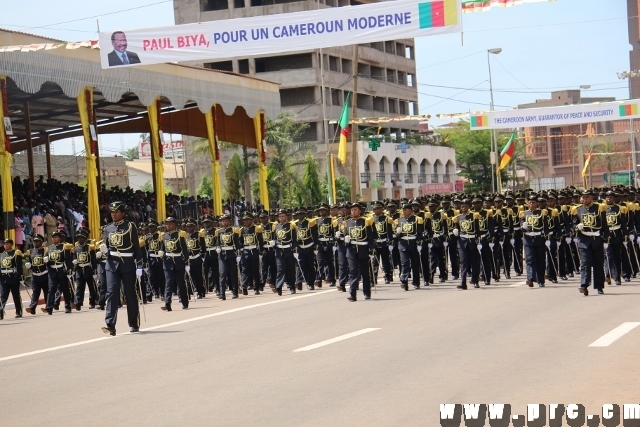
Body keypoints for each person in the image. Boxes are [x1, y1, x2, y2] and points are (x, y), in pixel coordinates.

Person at [101, 201, 144, 335]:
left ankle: (133, 323)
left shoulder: (130, 226)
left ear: (123, 213)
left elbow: (136, 247)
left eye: (117, 212)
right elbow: (107, 246)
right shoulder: (108, 229)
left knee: (130, 293)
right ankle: (110, 325)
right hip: (112, 264)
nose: (114, 214)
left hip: (127, 263)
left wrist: (140, 265)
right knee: (112, 293)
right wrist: (103, 251)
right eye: (112, 212)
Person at [571, 189, 609, 296]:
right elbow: (573, 225)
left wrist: (606, 239)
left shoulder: (599, 207)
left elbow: (604, 225)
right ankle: (584, 285)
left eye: (587, 197)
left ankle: (599, 286)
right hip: (583, 240)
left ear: (592, 197)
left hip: (596, 238)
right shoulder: (577, 209)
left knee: (598, 264)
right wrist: (577, 227)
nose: (585, 199)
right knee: (585, 263)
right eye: (583, 197)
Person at [343, 202, 376, 301]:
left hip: (363, 250)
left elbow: (370, 236)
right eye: (352, 210)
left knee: (365, 272)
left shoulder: (365, 221)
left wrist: (372, 249)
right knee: (353, 272)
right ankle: (352, 294)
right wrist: (345, 239)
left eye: (355, 209)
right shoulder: (347, 222)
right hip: (351, 251)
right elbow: (345, 235)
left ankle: (367, 293)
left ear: (360, 211)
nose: (353, 211)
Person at [161, 217, 190, 310]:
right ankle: (167, 303)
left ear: (175, 225)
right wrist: (161, 252)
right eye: (167, 224)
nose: (168, 225)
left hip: (178, 261)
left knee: (181, 283)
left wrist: (186, 263)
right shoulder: (164, 236)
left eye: (170, 224)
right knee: (168, 283)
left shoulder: (179, 235)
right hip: (168, 261)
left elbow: (184, 250)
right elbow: (162, 248)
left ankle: (185, 302)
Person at [42, 231, 74, 315]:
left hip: (61, 270)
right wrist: (46, 261)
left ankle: (67, 306)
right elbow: (45, 258)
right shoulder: (49, 248)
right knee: (51, 289)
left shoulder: (64, 247)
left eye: (56, 237)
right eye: (53, 237)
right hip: (52, 271)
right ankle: (49, 307)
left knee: (65, 289)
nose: (54, 239)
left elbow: (68, 260)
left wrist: (69, 269)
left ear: (60, 238)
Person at [521, 194, 550, 288]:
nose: (531, 204)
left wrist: (547, 238)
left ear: (537, 203)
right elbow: (521, 225)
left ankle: (541, 280)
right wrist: (523, 227)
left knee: (540, 260)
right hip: (528, 239)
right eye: (530, 202)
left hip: (539, 239)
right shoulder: (524, 213)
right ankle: (530, 279)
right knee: (529, 259)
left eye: (533, 202)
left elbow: (546, 227)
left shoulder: (542, 212)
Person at [395, 202, 424, 290]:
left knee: (415, 264)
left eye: (405, 210)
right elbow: (395, 233)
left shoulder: (417, 219)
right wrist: (397, 233)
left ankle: (416, 282)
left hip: (413, 243)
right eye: (403, 210)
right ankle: (404, 281)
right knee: (404, 263)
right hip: (403, 244)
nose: (403, 211)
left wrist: (419, 244)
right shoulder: (399, 220)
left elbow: (420, 233)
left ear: (410, 210)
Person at [70, 229, 98, 310]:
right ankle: (78, 303)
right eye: (78, 238)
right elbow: (74, 257)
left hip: (88, 269)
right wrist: (74, 264)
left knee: (91, 287)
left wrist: (94, 270)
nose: (80, 239)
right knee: (79, 287)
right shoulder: (76, 248)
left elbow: (93, 260)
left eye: (82, 238)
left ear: (85, 239)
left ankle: (92, 302)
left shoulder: (89, 247)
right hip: (79, 269)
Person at [239, 213, 264, 295]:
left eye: (248, 219)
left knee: (255, 270)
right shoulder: (242, 230)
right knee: (245, 270)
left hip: (254, 251)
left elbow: (260, 241)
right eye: (244, 220)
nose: (246, 221)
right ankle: (244, 286)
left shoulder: (256, 228)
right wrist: (241, 249)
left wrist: (260, 252)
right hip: (245, 251)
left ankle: (256, 288)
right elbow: (240, 241)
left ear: (252, 220)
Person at [24, 234, 49, 315]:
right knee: (35, 293)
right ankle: (32, 308)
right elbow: (30, 263)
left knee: (47, 292)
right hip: (35, 275)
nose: (36, 243)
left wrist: (48, 261)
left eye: (38, 241)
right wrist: (29, 266)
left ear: (41, 242)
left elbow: (50, 263)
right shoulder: (31, 252)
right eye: (35, 241)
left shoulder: (45, 250)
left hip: (44, 274)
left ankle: (48, 307)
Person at [0, 239, 24, 319]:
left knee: (16, 296)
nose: (5, 245)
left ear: (11, 244)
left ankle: (18, 311)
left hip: (13, 277)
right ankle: (1, 312)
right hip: (4, 278)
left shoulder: (15, 253)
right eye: (5, 244)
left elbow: (19, 266)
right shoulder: (1, 255)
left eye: (7, 243)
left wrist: (19, 276)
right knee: (3, 296)